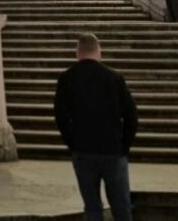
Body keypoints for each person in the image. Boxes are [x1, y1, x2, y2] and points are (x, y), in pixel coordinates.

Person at [53, 33, 138, 221]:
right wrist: (124, 147)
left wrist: (73, 143)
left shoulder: (67, 79)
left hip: (83, 150)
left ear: (78, 52)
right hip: (113, 151)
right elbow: (131, 116)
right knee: (121, 207)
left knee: (92, 207)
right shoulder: (114, 78)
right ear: (99, 51)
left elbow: (60, 117)